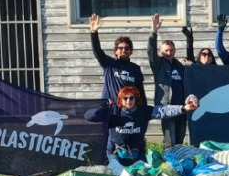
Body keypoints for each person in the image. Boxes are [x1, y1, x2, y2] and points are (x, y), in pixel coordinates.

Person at [85, 86, 199, 165]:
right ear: (120, 100)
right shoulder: (113, 111)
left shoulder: (143, 111)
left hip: (138, 154)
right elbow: (89, 116)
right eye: (125, 98)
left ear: (135, 99)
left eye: (131, 98)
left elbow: (163, 111)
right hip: (116, 154)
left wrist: (183, 108)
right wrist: (104, 107)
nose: (128, 100)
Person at [148, 14, 193, 148]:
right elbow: (150, 52)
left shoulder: (180, 66)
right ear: (161, 51)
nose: (169, 52)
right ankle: (169, 166)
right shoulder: (158, 64)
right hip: (166, 108)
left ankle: (179, 163)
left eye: (172, 50)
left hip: (181, 108)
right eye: (166, 50)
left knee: (179, 141)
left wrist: (191, 67)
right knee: (170, 142)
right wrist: (153, 32)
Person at [88, 14, 147, 107]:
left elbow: (140, 93)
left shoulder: (135, 69)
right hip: (110, 110)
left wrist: (143, 113)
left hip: (127, 110)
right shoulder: (109, 64)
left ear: (131, 51)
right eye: (120, 48)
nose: (124, 50)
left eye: (127, 48)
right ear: (115, 51)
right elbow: (97, 51)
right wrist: (94, 33)